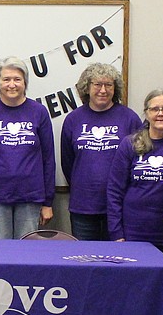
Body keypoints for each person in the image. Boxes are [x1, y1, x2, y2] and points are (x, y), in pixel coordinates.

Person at [0, 57, 56, 239]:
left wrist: (48, 202)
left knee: (25, 255)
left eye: (17, 79)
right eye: (6, 79)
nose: (12, 84)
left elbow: (48, 160)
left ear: (25, 82)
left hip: (30, 197)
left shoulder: (39, 112)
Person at [106, 89, 163, 256]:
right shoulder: (130, 143)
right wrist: (116, 233)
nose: (160, 114)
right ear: (146, 113)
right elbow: (114, 190)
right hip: (134, 230)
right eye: (154, 109)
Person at [60, 63, 142, 240]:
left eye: (109, 85)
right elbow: (68, 162)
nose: (103, 90)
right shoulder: (73, 119)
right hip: (83, 206)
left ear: (115, 88)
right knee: (85, 260)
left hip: (120, 207)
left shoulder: (129, 118)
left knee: (118, 262)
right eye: (97, 84)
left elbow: (139, 161)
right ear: (87, 88)